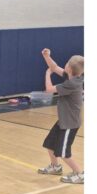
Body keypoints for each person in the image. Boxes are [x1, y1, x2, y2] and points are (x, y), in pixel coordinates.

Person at [37, 48, 84, 184]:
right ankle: (55, 167)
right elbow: (54, 67)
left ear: (69, 68)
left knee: (63, 153)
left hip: (70, 124)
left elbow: (49, 90)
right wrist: (47, 56)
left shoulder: (72, 84)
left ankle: (80, 174)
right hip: (63, 121)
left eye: (68, 63)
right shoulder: (73, 77)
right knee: (49, 144)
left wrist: (47, 74)